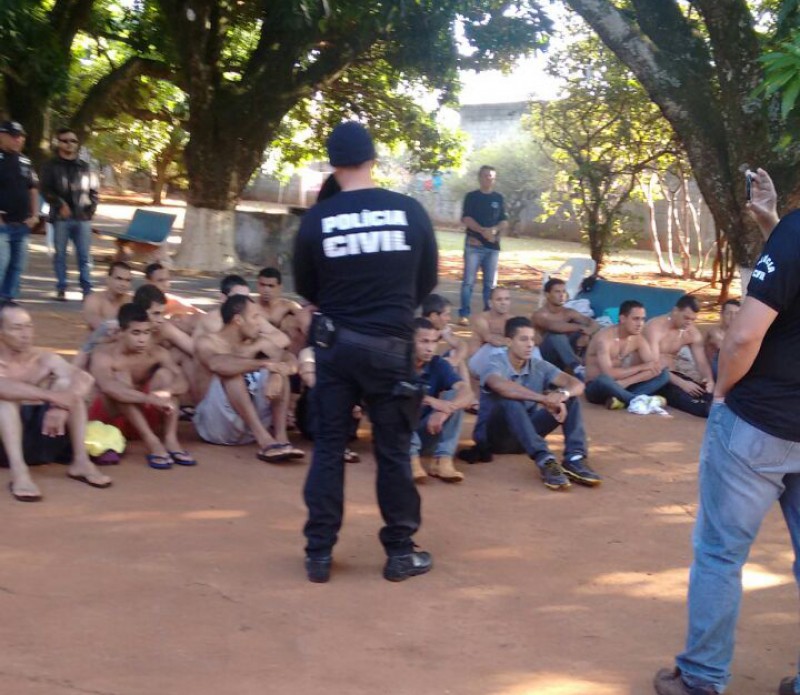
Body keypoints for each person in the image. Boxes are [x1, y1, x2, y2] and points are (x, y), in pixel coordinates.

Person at [653, 168, 800, 695]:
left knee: (720, 553)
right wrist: (772, 225)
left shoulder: (798, 233)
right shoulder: (790, 233)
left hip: (757, 425)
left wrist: (719, 393)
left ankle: (700, 679)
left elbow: (743, 338)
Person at [292, 120, 438, 583]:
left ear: (334, 165)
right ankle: (399, 552)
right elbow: (427, 281)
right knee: (393, 452)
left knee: (330, 448)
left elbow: (308, 288)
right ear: (373, 158)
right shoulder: (409, 211)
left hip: (334, 347)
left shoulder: (317, 218)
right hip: (391, 349)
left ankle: (318, 553)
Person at [0, 301, 112, 501]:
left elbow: (85, 379)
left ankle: (81, 462)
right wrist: (52, 397)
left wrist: (62, 405)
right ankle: (20, 472)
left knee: (68, 385)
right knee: (5, 401)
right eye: (17, 328)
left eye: (29, 326)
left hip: (46, 435)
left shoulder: (43, 358)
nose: (26, 334)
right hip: (3, 447)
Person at [476, 316, 599, 490]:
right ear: (509, 342)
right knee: (511, 400)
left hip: (525, 437)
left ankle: (575, 458)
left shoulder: (539, 365)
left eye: (532, 339)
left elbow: (577, 384)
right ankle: (546, 460)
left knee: (571, 400)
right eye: (523, 339)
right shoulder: (495, 362)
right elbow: (502, 386)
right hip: (494, 438)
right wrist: (544, 399)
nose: (530, 344)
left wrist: (562, 395)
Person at [193, 294, 300, 460]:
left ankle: (281, 440)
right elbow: (217, 364)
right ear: (238, 320)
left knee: (278, 370)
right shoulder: (207, 342)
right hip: (215, 428)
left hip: (247, 430)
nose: (260, 322)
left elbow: (290, 359)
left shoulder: (258, 342)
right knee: (232, 373)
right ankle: (265, 441)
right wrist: (264, 364)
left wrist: (280, 373)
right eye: (255, 317)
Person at [89, 303, 195, 470]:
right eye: (135, 333)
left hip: (145, 415)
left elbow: (183, 381)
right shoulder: (103, 354)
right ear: (122, 332)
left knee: (166, 376)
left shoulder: (156, 353)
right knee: (120, 381)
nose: (142, 339)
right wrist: (149, 398)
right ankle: (152, 443)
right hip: (113, 422)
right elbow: (108, 387)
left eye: (146, 333)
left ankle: (170, 439)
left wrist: (166, 392)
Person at [410, 318, 472, 484]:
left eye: (434, 342)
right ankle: (410, 460)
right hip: (396, 435)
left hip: (427, 432)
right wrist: (431, 401)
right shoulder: (396, 363)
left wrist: (445, 411)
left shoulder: (438, 364)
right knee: (399, 401)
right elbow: (387, 393)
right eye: (424, 342)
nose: (430, 348)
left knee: (456, 396)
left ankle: (442, 460)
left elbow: (467, 393)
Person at [40, 128, 98, 300]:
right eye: (65, 140)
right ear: (58, 143)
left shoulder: (85, 167)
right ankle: (61, 287)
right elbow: (45, 189)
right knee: (60, 254)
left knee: (84, 255)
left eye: (73, 141)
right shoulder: (50, 166)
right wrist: (59, 204)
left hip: (82, 218)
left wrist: (90, 211)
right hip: (60, 218)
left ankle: (87, 289)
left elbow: (94, 191)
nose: (69, 144)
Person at [583, 300, 670, 409]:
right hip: (597, 388)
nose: (640, 324)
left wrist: (626, 382)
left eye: (643, 319)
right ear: (622, 318)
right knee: (603, 379)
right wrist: (642, 367)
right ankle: (636, 400)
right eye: (636, 319)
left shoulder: (638, 339)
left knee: (664, 374)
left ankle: (623, 400)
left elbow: (654, 366)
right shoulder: (604, 339)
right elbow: (609, 374)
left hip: (621, 385)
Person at [644, 296, 715, 418]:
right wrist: (682, 383)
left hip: (673, 375)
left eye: (693, 319)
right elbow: (652, 365)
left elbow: (701, 363)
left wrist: (709, 380)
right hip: (650, 376)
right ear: (675, 311)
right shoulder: (655, 328)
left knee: (703, 392)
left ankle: (721, 406)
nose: (689, 322)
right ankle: (707, 410)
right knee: (685, 397)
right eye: (686, 317)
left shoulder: (691, 333)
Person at [458, 165, 508, 325]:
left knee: (489, 284)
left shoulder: (499, 198)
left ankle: (489, 314)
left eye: (492, 176)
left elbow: (504, 221)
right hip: (474, 245)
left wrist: (494, 230)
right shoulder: (471, 197)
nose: (489, 179)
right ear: (480, 178)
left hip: (492, 248)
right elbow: (466, 218)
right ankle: (464, 314)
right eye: (486, 176)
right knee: (468, 282)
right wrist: (481, 231)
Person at [0, 120, 39, 301]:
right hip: (2, 225)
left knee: (17, 266)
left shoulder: (25, 161)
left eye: (21, 136)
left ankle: (9, 305)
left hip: (22, 224)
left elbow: (33, 188)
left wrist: (35, 215)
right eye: (14, 136)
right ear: (3, 135)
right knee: (1, 264)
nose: (18, 140)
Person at [532, 277, 599, 377]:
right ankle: (576, 366)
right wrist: (581, 328)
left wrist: (588, 332)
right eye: (557, 292)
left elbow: (593, 322)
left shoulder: (568, 312)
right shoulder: (540, 315)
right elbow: (555, 327)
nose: (562, 295)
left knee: (590, 334)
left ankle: (588, 367)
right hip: (545, 357)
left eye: (563, 291)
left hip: (564, 356)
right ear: (547, 294)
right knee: (556, 335)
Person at [467, 286, 514, 381]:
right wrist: (512, 343)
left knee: (533, 350)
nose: (503, 303)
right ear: (490, 303)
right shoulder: (481, 319)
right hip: (478, 362)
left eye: (507, 299)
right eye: (499, 299)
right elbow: (491, 339)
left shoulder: (512, 320)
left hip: (502, 363)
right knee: (494, 348)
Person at [704, 299, 740, 379]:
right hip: (714, 372)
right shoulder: (714, 332)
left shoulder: (738, 333)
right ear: (721, 315)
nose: (733, 317)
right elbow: (724, 348)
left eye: (736, 314)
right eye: (728, 313)